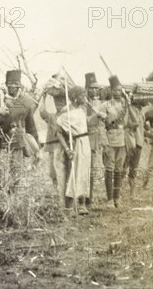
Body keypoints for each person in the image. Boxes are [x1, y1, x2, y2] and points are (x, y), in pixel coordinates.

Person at [0, 70, 40, 192]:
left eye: (16, 84)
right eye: (10, 84)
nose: (12, 87)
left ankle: (13, 199)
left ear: (20, 85)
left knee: (16, 172)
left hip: (18, 142)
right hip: (0, 141)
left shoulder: (26, 102)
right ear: (6, 84)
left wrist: (36, 143)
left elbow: (30, 124)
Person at [56, 86, 92, 215]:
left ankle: (81, 204)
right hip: (75, 144)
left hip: (85, 143)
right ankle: (69, 208)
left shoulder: (82, 109)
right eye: (82, 96)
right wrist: (67, 149)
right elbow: (58, 132)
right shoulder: (66, 110)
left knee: (84, 173)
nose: (85, 98)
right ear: (75, 97)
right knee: (73, 174)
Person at [100, 76, 127, 208]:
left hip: (122, 140)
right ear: (111, 91)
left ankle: (117, 198)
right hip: (110, 140)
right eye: (115, 90)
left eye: (120, 90)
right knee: (109, 169)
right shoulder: (105, 105)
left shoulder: (125, 104)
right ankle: (109, 199)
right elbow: (100, 126)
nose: (118, 92)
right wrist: (104, 143)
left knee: (119, 169)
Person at [85, 72, 106, 205]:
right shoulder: (83, 103)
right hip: (87, 138)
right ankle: (86, 197)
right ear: (87, 89)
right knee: (88, 169)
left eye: (96, 88)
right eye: (91, 88)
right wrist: (95, 116)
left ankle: (94, 197)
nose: (94, 90)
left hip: (99, 138)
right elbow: (83, 121)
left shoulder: (100, 103)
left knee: (97, 168)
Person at [124, 99, 145, 196]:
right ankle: (117, 193)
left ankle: (132, 193)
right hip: (129, 142)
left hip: (138, 143)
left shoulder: (141, 111)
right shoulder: (128, 109)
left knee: (134, 169)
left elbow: (141, 129)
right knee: (123, 168)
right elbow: (126, 125)